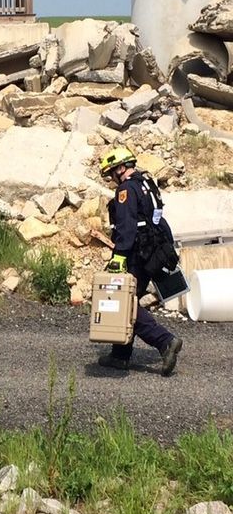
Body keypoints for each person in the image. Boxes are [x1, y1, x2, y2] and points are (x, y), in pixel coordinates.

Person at [97, 147, 183, 376]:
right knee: (130, 301)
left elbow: (126, 226)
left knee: (126, 305)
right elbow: (158, 220)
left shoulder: (126, 190)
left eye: (111, 174)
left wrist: (119, 257)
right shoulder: (148, 184)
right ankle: (120, 355)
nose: (111, 179)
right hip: (152, 251)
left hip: (136, 253)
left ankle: (165, 341)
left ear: (121, 168)